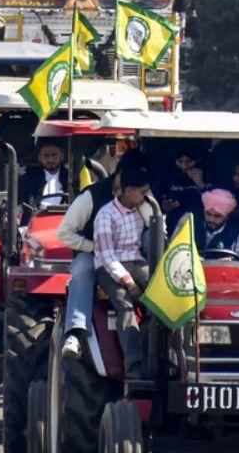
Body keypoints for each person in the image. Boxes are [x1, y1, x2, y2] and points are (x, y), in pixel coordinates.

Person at [56, 149, 151, 361]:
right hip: (94, 253)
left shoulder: (144, 200)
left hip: (133, 256)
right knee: (83, 272)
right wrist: (93, 247)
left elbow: (154, 228)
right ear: (122, 177)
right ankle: (75, 333)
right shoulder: (92, 195)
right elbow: (64, 232)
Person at [94, 164, 160, 378]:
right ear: (129, 190)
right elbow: (107, 256)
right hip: (110, 268)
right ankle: (134, 366)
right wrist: (129, 283)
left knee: (159, 302)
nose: (146, 196)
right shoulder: (106, 215)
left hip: (137, 262)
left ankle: (158, 359)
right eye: (142, 192)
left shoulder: (142, 209)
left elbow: (160, 231)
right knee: (126, 307)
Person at [158, 143, 209, 232]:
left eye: (188, 162)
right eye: (180, 161)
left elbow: (215, 204)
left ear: (196, 160)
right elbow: (158, 198)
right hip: (174, 226)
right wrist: (164, 206)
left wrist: (201, 184)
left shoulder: (206, 173)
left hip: (200, 226)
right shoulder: (168, 174)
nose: (184, 166)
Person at [195, 188, 239, 260]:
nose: (211, 219)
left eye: (217, 216)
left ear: (226, 216)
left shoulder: (236, 234)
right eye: (208, 214)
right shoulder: (191, 225)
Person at [20, 140, 70, 211]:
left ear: (61, 156)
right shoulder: (29, 179)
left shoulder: (70, 177)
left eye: (54, 155)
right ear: (39, 157)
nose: (50, 160)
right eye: (46, 155)